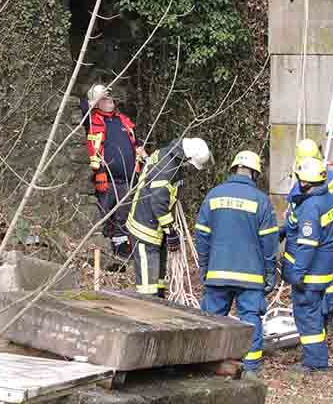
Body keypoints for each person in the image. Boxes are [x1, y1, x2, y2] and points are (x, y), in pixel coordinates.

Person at [195, 150, 278, 380]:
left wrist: (204, 266)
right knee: (250, 318)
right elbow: (269, 242)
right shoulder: (261, 201)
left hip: (217, 272)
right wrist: (270, 272)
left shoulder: (213, 196)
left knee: (211, 319)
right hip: (250, 276)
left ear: (234, 169)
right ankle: (251, 367)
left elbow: (201, 235)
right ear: (254, 173)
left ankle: (207, 361)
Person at [126, 136, 212, 298]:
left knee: (158, 280)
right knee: (147, 286)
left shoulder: (166, 155)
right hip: (145, 229)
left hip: (155, 228)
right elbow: (158, 202)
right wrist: (170, 231)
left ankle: (159, 304)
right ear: (187, 157)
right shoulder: (168, 169)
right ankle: (146, 313)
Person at [282, 157, 333, 373]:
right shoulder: (328, 199)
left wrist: (297, 272)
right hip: (325, 271)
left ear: (305, 182)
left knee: (307, 316)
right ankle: (317, 357)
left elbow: (307, 244)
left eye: (299, 178)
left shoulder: (311, 206)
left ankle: (315, 362)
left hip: (310, 275)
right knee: (315, 314)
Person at [285, 139, 333, 329]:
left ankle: (320, 323)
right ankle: (327, 314)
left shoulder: (305, 188)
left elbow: (299, 211)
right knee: (330, 277)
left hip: (314, 242)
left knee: (316, 289)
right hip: (332, 235)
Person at [80, 84, 146, 261]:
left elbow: (138, 143)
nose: (110, 101)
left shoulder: (123, 120)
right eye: (105, 98)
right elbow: (83, 105)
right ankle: (104, 254)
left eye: (110, 98)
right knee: (104, 217)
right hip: (105, 179)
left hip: (127, 180)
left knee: (124, 218)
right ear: (97, 102)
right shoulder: (91, 120)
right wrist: (95, 97)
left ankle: (122, 252)